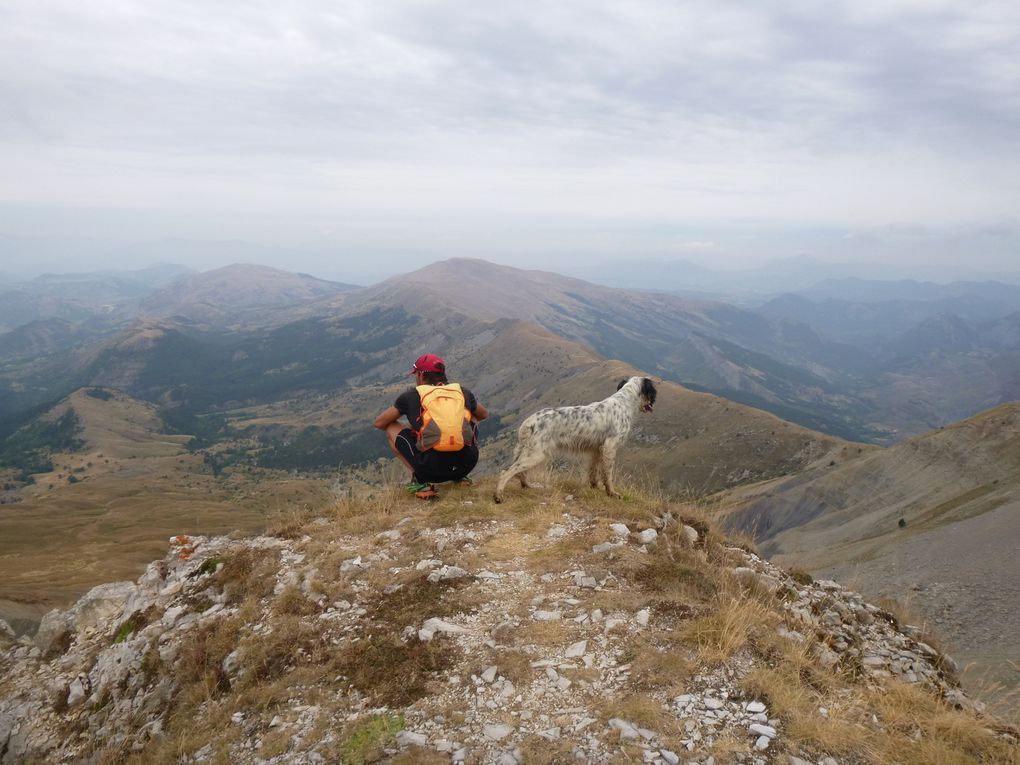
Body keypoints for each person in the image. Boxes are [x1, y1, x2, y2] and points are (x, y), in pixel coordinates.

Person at [373, 353, 488, 498]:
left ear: (421, 375)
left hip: (430, 470)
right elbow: (483, 415)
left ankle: (421, 482)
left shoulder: (411, 396)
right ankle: (460, 478)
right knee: (471, 419)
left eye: (415, 374)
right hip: (466, 465)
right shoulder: (462, 392)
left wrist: (417, 430)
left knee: (391, 428)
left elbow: (379, 423)